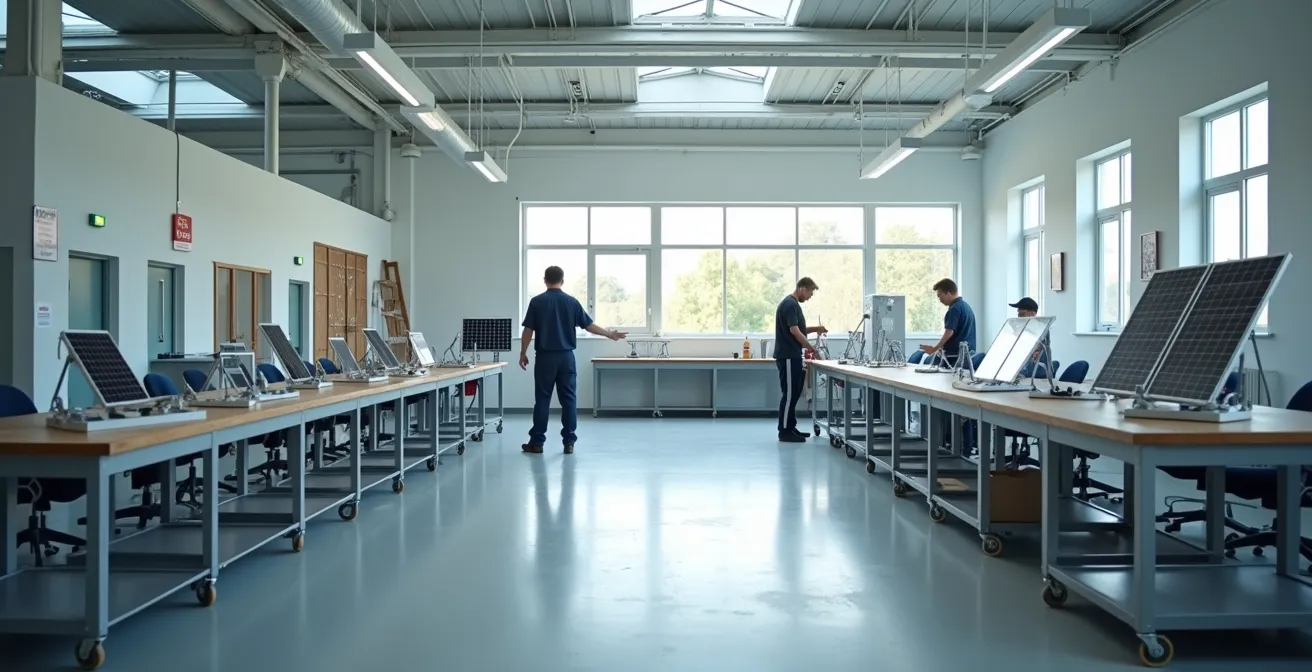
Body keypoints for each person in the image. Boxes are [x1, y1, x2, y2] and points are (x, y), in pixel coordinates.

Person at [519, 266, 626, 455]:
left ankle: (537, 443)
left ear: (545, 280)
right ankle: (569, 442)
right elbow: (589, 325)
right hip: (567, 358)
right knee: (569, 400)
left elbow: (528, 330)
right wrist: (610, 335)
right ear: (562, 280)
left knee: (542, 400)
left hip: (545, 358)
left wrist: (523, 352)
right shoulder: (571, 302)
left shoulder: (537, 302)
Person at [773, 277, 827, 443]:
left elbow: (800, 329)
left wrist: (816, 329)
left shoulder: (793, 305)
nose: (810, 296)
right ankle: (784, 431)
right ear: (802, 288)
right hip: (788, 356)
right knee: (789, 395)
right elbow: (795, 332)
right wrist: (812, 350)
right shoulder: (789, 304)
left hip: (794, 355)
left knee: (795, 393)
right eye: (810, 292)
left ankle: (791, 427)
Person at [920, 278, 977, 366]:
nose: (939, 299)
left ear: (948, 293)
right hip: (968, 355)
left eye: (940, 295)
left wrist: (934, 349)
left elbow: (949, 332)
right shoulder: (966, 307)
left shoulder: (954, 309)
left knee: (926, 365)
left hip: (954, 357)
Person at [1010, 296, 1052, 377]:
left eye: (1022, 314)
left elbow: (1034, 353)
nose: (1019, 316)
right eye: (1018, 313)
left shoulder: (1041, 329)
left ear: (1032, 313)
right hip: (1023, 371)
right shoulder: (1022, 328)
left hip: (1036, 373)